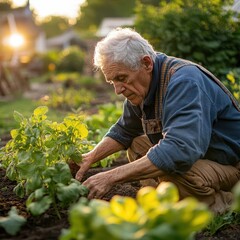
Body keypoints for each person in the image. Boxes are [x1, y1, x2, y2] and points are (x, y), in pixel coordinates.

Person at [75, 27, 240, 214]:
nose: (118, 90)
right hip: (203, 157)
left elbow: (180, 150)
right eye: (112, 81)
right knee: (138, 145)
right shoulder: (143, 83)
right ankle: (175, 194)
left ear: (146, 63)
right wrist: (90, 158)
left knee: (178, 170)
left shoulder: (184, 82)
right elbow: (124, 131)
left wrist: (111, 177)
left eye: (121, 78)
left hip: (231, 164)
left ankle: (225, 201)